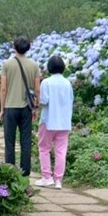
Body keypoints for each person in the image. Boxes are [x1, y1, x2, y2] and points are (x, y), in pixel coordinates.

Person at [0, 37, 42, 176]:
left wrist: (2, 109)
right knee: (26, 141)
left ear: (14, 47)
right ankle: (25, 171)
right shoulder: (34, 65)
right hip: (26, 108)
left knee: (9, 141)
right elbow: (37, 90)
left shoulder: (7, 64)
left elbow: (3, 89)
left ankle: (10, 170)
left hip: (10, 107)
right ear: (28, 48)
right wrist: (35, 107)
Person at [35, 55, 74, 189]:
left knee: (44, 148)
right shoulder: (67, 83)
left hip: (48, 120)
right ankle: (58, 180)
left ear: (49, 67)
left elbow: (44, 101)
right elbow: (70, 100)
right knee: (61, 151)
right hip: (64, 122)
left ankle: (47, 177)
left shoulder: (46, 82)